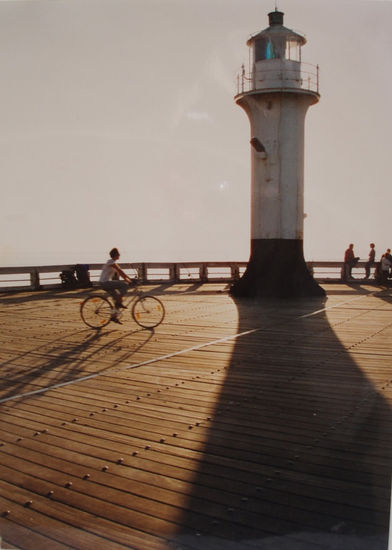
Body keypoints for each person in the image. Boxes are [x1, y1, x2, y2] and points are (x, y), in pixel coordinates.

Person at [99, 248, 133, 323]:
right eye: (118, 253)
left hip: (106, 283)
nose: (120, 255)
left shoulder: (113, 262)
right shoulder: (111, 262)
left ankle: (113, 317)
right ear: (116, 255)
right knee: (124, 285)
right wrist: (128, 279)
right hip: (105, 283)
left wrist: (126, 278)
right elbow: (120, 271)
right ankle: (119, 301)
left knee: (117, 299)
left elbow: (119, 273)